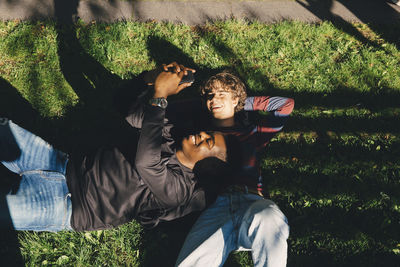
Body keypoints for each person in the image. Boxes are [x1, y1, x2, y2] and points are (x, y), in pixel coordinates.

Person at [0, 63, 232, 232]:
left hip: (68, 205)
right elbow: (124, 106)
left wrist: (161, 97)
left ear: (206, 167)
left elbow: (147, 163)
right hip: (61, 163)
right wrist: (150, 79)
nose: (202, 134)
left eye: (208, 142)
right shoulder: (170, 133)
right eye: (208, 133)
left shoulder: (180, 191)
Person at [175, 71, 294, 267]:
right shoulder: (198, 136)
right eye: (210, 96)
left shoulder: (253, 133)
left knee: (269, 216)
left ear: (236, 98)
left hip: (252, 204)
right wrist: (204, 105)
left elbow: (285, 105)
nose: (214, 99)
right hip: (214, 208)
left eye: (222, 94)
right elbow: (171, 111)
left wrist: (239, 104)